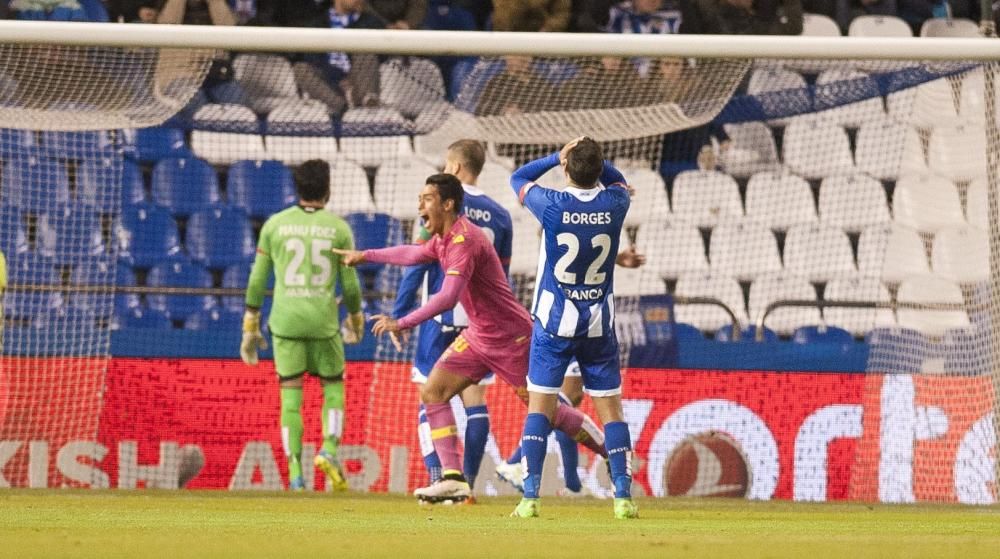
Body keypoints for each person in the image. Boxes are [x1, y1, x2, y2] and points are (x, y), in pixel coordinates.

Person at [333, 173, 608, 504]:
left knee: (549, 413)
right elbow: (411, 253)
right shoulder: (445, 239)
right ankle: (453, 479)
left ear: (448, 204)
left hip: (512, 339)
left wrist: (402, 322)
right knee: (433, 391)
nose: (420, 205)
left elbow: (448, 297)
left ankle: (615, 451)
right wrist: (365, 256)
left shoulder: (466, 241)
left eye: (427, 199)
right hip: (479, 338)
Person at [507, 137, 638, 519]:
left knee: (540, 408)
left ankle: (530, 498)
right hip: (598, 324)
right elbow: (616, 179)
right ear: (600, 168)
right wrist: (595, 159)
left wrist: (556, 155)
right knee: (611, 411)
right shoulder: (617, 203)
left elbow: (517, 176)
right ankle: (623, 498)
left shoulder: (551, 204)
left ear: (566, 167)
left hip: (553, 325)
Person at [393, 140, 512, 494]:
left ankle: (440, 478)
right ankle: (468, 486)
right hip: (478, 323)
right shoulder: (501, 216)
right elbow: (499, 279)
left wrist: (401, 314)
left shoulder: (438, 205)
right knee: (475, 402)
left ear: (456, 169)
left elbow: (416, 262)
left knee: (429, 394)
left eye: (447, 164)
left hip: (438, 320)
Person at [240, 159, 366, 492]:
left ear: (296, 188)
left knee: (291, 400)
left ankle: (296, 475)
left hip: (285, 323)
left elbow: (257, 280)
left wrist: (250, 322)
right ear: (328, 188)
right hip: (323, 323)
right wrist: (355, 318)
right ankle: (328, 449)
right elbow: (350, 286)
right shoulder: (339, 228)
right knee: (333, 390)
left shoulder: (274, 225)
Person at [494, 245, 645, 498]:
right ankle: (517, 462)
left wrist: (615, 257)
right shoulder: (559, 212)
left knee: (566, 402)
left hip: (572, 316)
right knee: (558, 402)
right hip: (566, 319)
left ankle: (570, 483)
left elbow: (580, 247)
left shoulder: (562, 213)